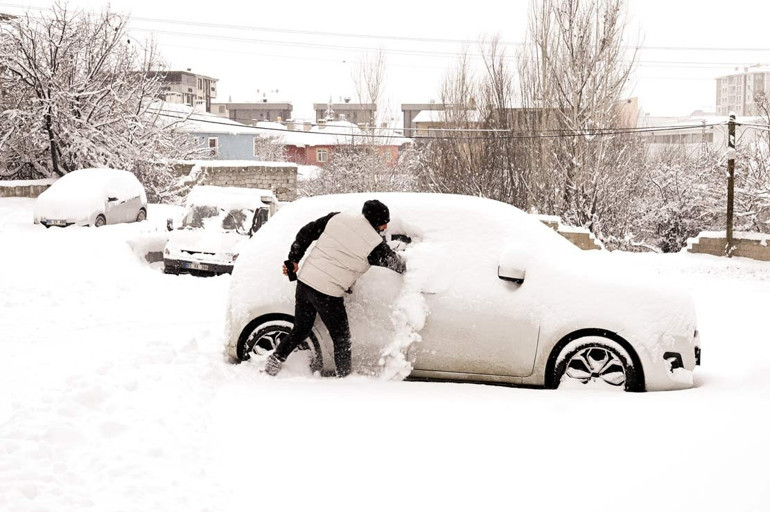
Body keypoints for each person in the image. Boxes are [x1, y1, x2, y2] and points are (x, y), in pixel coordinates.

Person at [265, 199, 406, 377]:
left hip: (305, 283)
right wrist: (414, 260)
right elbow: (398, 265)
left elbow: (306, 232)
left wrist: (294, 259)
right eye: (384, 222)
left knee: (301, 328)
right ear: (376, 221)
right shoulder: (375, 245)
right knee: (341, 339)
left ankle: (276, 359)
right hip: (327, 293)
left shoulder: (338, 218)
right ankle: (344, 378)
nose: (386, 227)